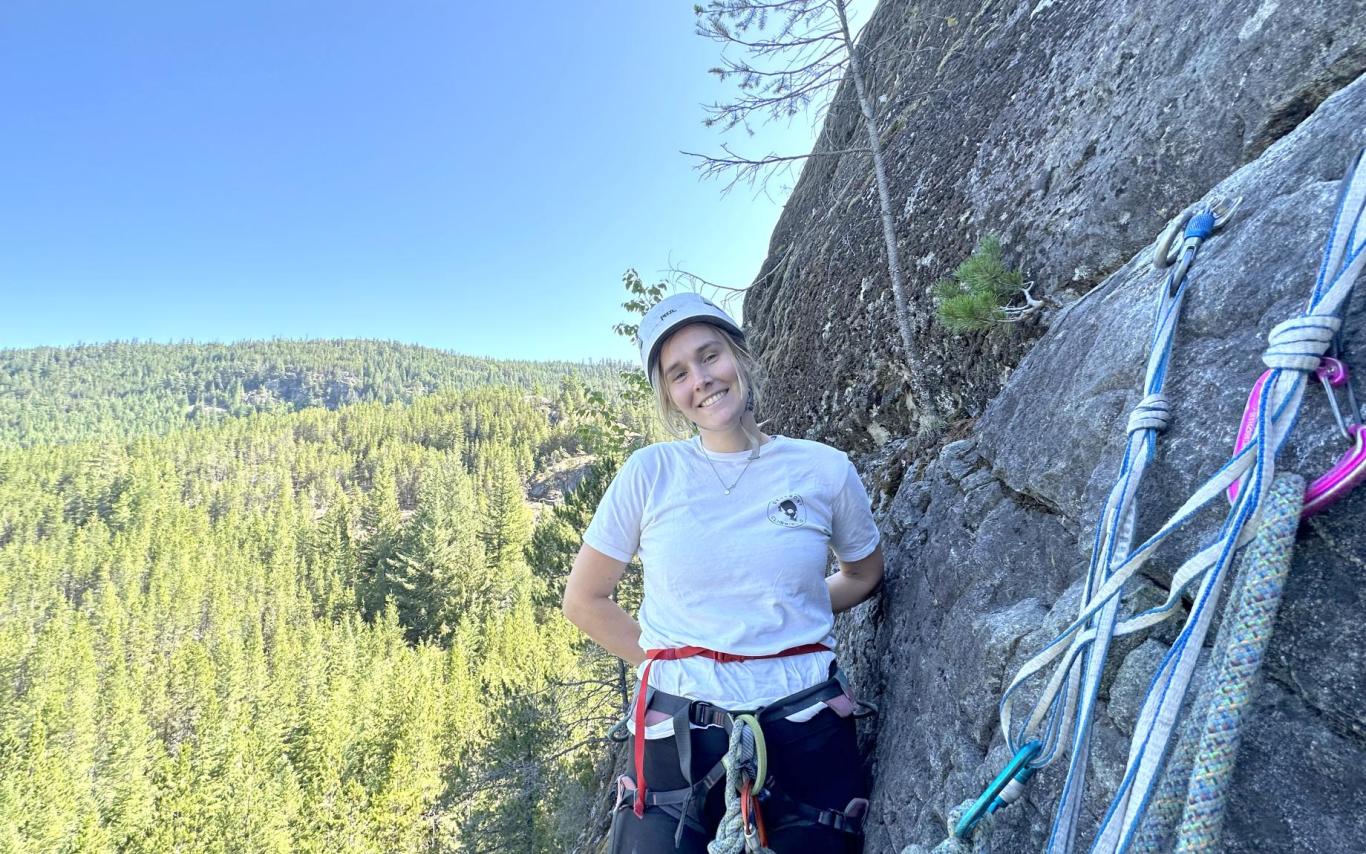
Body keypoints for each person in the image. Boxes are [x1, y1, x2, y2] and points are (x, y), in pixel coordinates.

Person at [562, 293, 885, 853]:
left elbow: (862, 574)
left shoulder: (822, 468)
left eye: (710, 356)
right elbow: (585, 599)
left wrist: (782, 613)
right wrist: (677, 657)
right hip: (678, 734)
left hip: (804, 722)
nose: (702, 380)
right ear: (669, 395)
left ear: (738, 355)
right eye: (679, 373)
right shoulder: (651, 473)